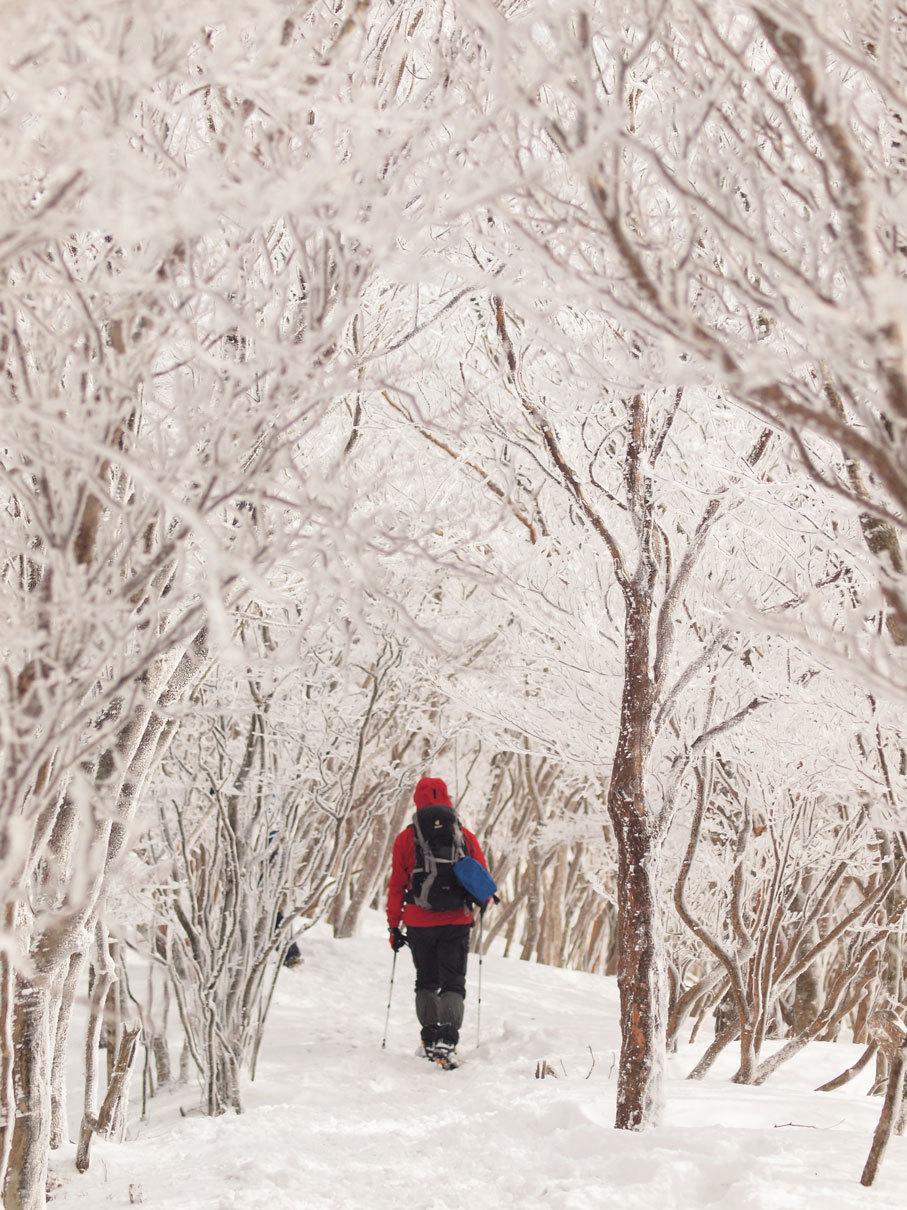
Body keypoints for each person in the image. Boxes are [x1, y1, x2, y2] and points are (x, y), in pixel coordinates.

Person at [386, 776, 491, 1066]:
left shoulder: (405, 839)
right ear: (447, 798)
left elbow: (396, 885)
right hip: (456, 920)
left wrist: (394, 925)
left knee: (426, 980)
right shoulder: (464, 837)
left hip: (419, 921)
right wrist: (480, 905)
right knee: (453, 982)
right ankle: (448, 1038)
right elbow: (481, 877)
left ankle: (429, 1038)